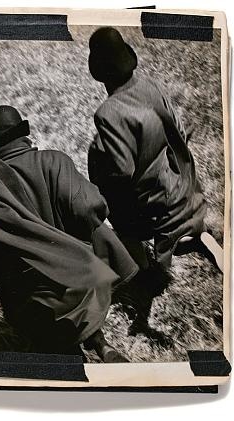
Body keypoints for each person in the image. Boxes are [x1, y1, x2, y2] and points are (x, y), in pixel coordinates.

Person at [0, 105, 139, 362]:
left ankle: (68, 355)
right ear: (23, 135)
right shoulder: (54, 161)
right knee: (93, 237)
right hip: (82, 276)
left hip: (30, 294)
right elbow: (89, 207)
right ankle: (100, 343)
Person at [87, 27, 223, 274]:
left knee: (114, 205)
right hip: (185, 187)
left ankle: (142, 267)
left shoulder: (108, 113)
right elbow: (180, 130)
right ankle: (197, 237)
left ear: (99, 70)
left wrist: (98, 171)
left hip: (157, 206)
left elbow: (122, 172)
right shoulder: (150, 85)